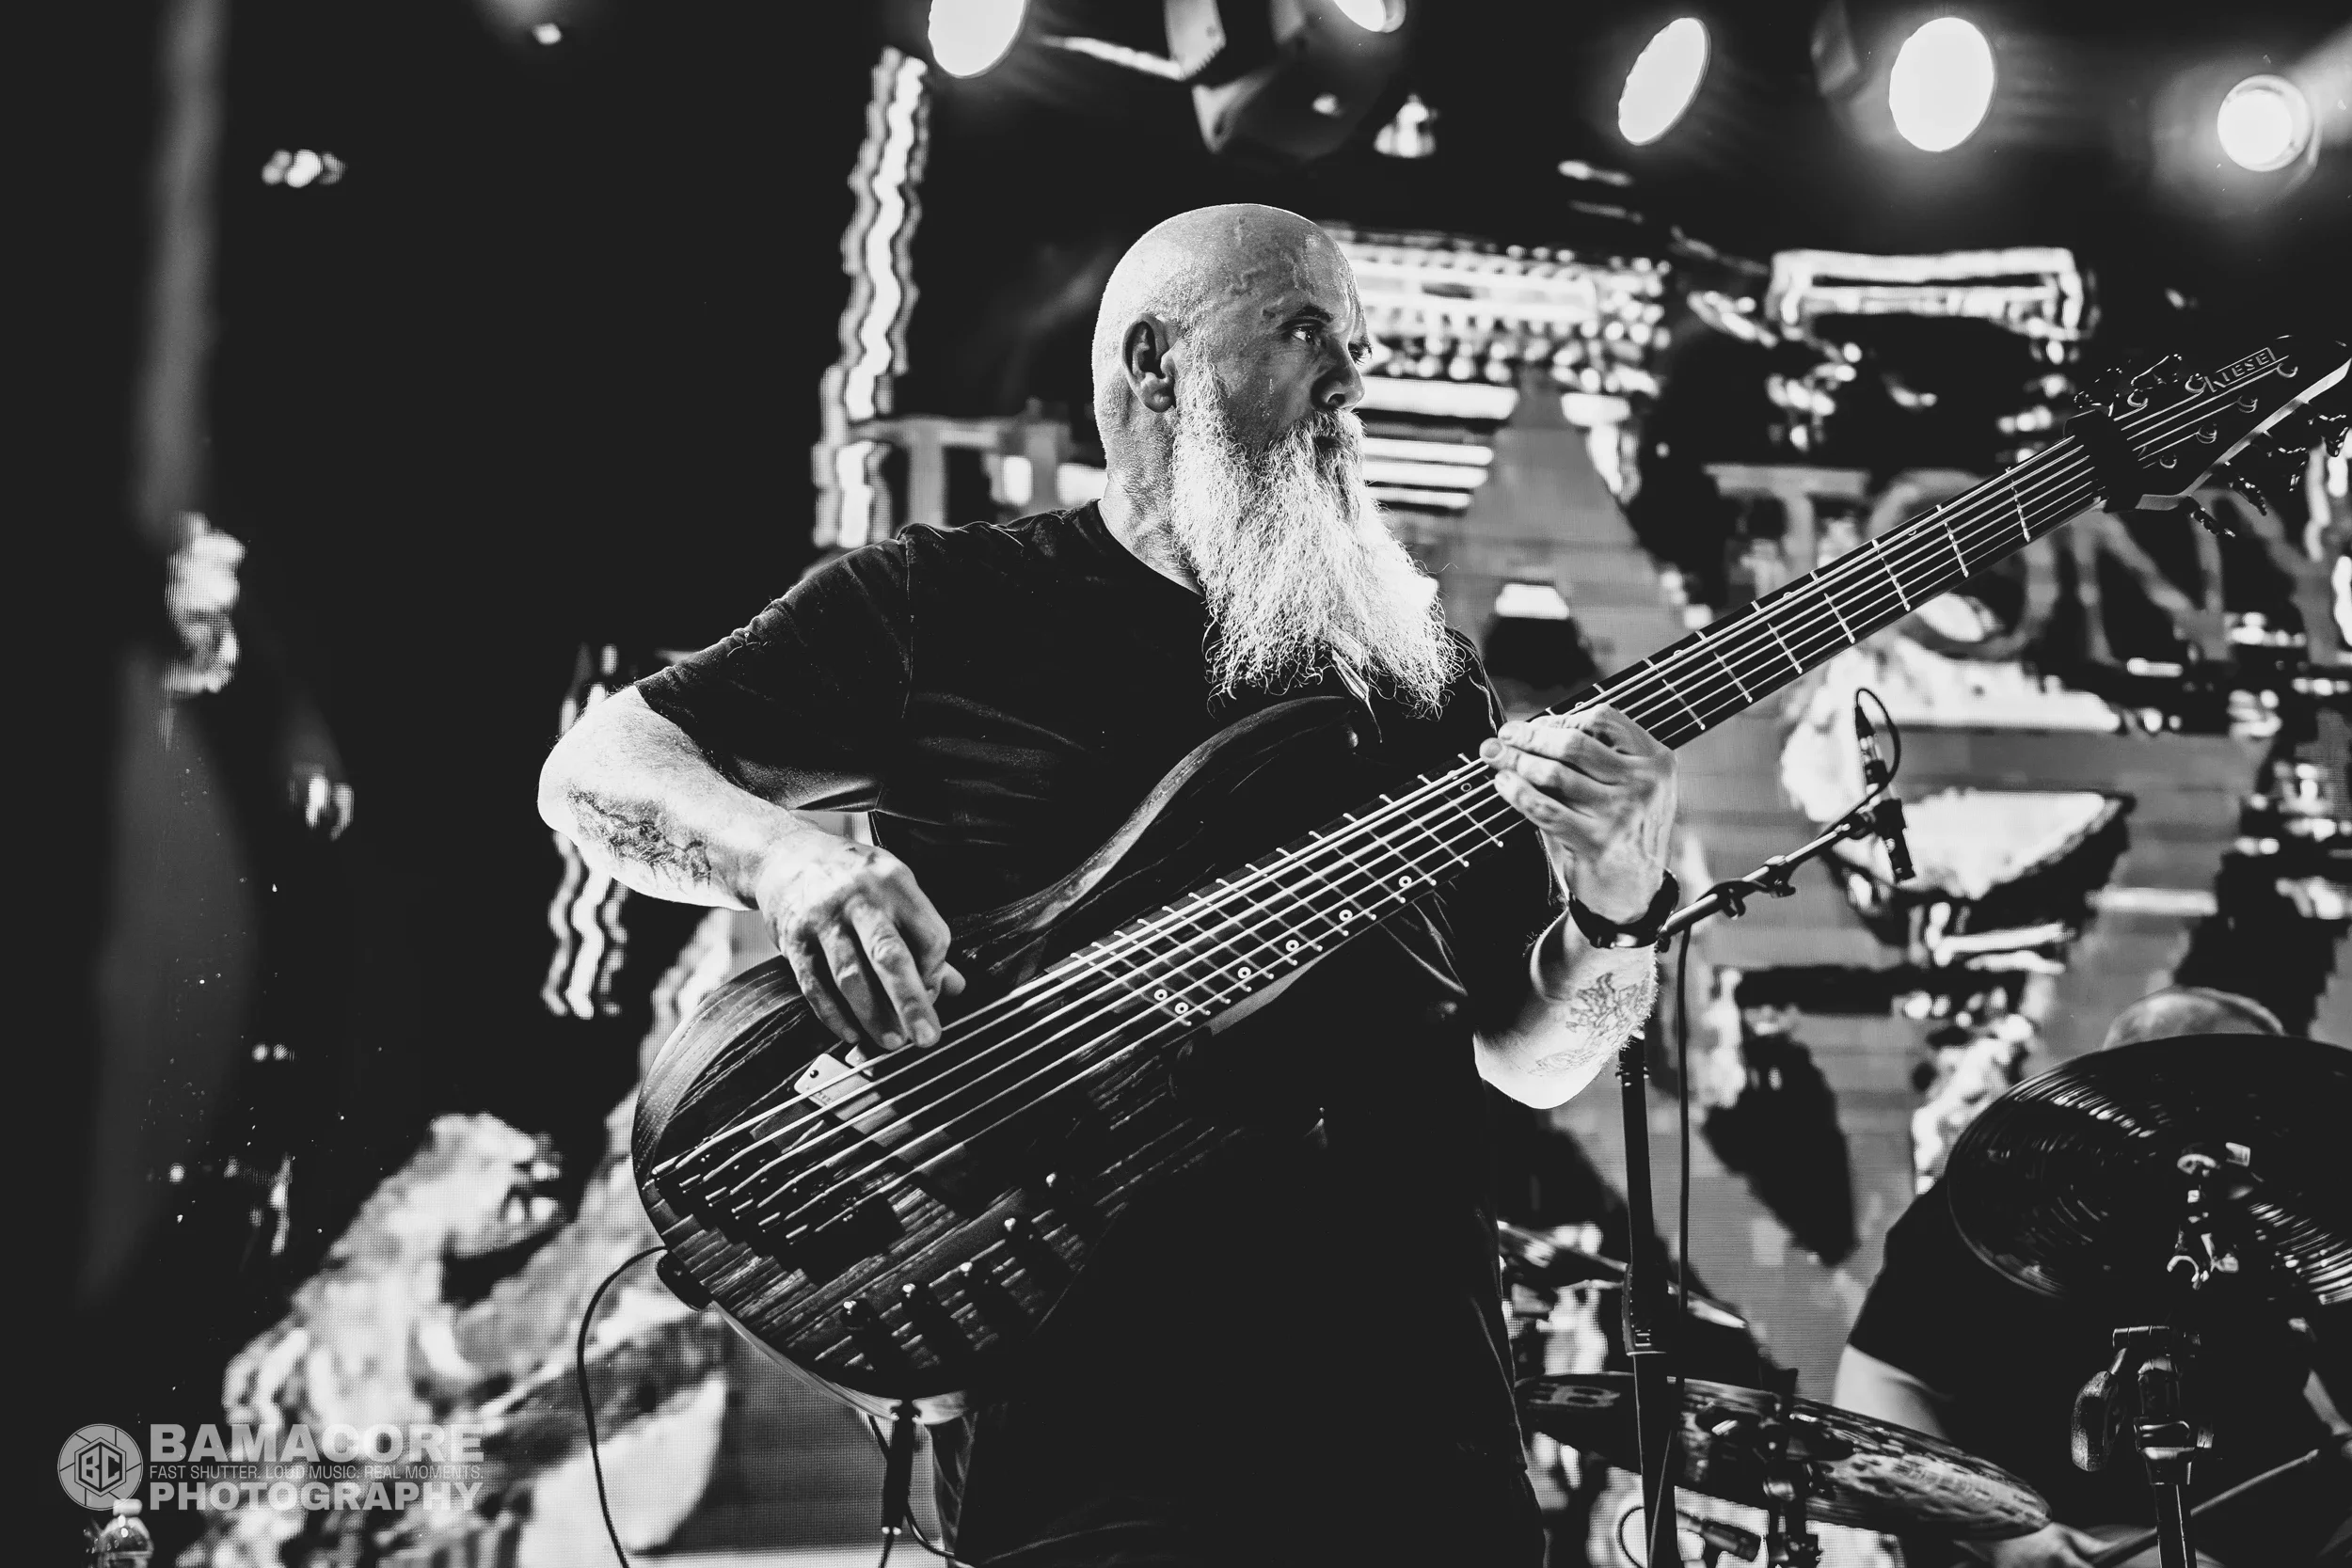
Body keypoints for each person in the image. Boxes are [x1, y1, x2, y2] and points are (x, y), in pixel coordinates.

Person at [537, 204, 1681, 1565]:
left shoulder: (1417, 675)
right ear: (1156, 363)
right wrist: (787, 860)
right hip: (1082, 1460)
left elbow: (1533, 1055)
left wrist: (1616, 901)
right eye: (1306, 329)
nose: (1353, 379)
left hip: (1420, 1448)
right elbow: (602, 765)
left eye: (1359, 343)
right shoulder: (946, 607)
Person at [1833, 987, 2351, 1568]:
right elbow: (1880, 1387)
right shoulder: (1997, 1206)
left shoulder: (2295, 1223)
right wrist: (2007, 1537)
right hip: (2053, 1542)